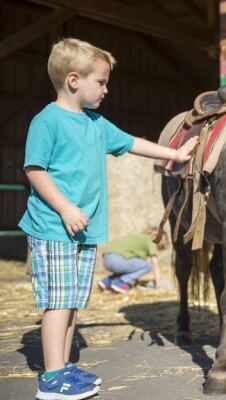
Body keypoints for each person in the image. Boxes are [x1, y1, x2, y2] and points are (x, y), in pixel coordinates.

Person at [19, 38, 197, 400]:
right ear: (73, 80)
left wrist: (175, 153)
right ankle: (52, 379)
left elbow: (134, 143)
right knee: (58, 301)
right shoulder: (47, 121)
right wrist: (65, 208)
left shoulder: (96, 124)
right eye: (100, 81)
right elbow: (34, 169)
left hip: (83, 230)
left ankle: (64, 366)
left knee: (71, 302)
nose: (106, 88)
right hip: (54, 226)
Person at [98, 229, 168, 293]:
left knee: (131, 268)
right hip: (117, 260)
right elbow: (155, 265)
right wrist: (158, 284)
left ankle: (107, 281)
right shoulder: (151, 241)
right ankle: (120, 283)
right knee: (148, 266)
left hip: (107, 259)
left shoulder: (137, 238)